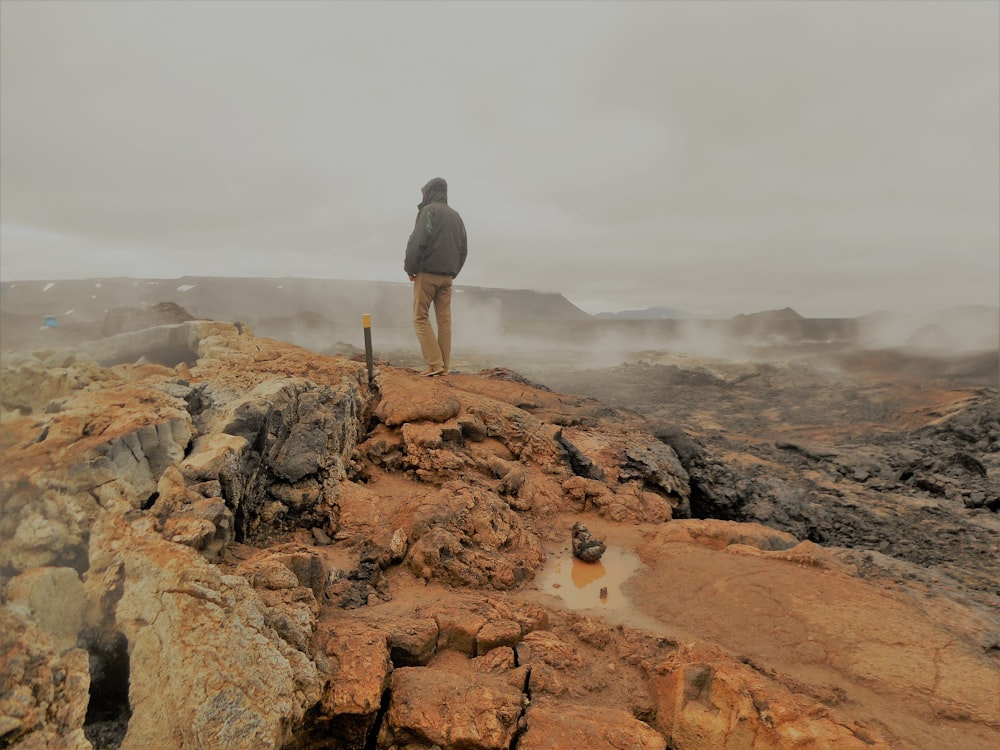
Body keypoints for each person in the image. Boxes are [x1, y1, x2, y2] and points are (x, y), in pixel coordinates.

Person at [404, 177, 468, 376]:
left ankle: (434, 364)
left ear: (429, 193)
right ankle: (444, 367)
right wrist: (453, 271)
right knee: (444, 322)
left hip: (427, 274)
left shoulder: (428, 211)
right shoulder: (456, 216)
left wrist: (410, 269)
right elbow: (463, 249)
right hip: (447, 277)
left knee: (420, 317)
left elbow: (417, 241)